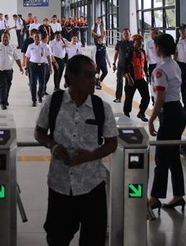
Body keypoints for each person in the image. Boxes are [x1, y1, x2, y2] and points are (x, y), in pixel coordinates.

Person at [34, 55, 118, 246]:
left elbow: (112, 143)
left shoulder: (101, 108)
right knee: (57, 237)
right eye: (88, 76)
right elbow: (39, 132)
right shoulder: (53, 102)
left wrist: (91, 156)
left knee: (94, 239)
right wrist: (52, 145)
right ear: (71, 77)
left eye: (94, 75)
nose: (93, 80)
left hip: (92, 185)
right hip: (60, 185)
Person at [146, 34, 186, 216]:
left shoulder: (160, 70)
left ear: (159, 48)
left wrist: (151, 119)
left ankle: (155, 198)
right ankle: (178, 194)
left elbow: (160, 98)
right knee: (172, 156)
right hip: (177, 112)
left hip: (169, 113)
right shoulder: (175, 65)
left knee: (162, 157)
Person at [0, 32, 24, 110]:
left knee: (8, 85)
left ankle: (5, 98)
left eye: (6, 37)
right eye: (3, 37)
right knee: (3, 85)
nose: (5, 38)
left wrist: (20, 67)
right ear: (1, 38)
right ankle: (2, 103)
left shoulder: (12, 47)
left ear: (9, 38)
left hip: (9, 70)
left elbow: (17, 58)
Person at [124, 34, 150, 122]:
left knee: (146, 97)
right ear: (134, 42)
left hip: (141, 78)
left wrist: (147, 74)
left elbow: (145, 64)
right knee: (129, 98)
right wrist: (129, 78)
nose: (140, 43)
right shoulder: (129, 52)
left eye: (141, 42)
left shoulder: (143, 51)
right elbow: (125, 66)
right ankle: (126, 114)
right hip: (131, 79)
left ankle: (141, 112)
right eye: (138, 42)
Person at [24, 31, 53, 106]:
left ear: (40, 38)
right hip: (33, 66)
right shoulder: (30, 46)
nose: (37, 38)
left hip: (42, 66)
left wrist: (50, 67)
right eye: (35, 37)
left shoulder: (45, 46)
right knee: (33, 83)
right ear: (33, 38)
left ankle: (40, 95)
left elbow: (48, 57)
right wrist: (26, 68)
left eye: (38, 37)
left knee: (42, 83)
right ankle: (34, 99)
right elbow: (27, 57)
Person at [112, 28, 133, 103]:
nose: (126, 35)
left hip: (129, 67)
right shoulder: (119, 43)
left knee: (128, 84)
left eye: (127, 33)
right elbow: (116, 54)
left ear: (130, 35)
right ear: (122, 35)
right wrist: (114, 64)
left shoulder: (132, 43)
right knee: (119, 82)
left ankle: (128, 99)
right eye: (124, 33)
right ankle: (118, 98)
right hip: (120, 65)